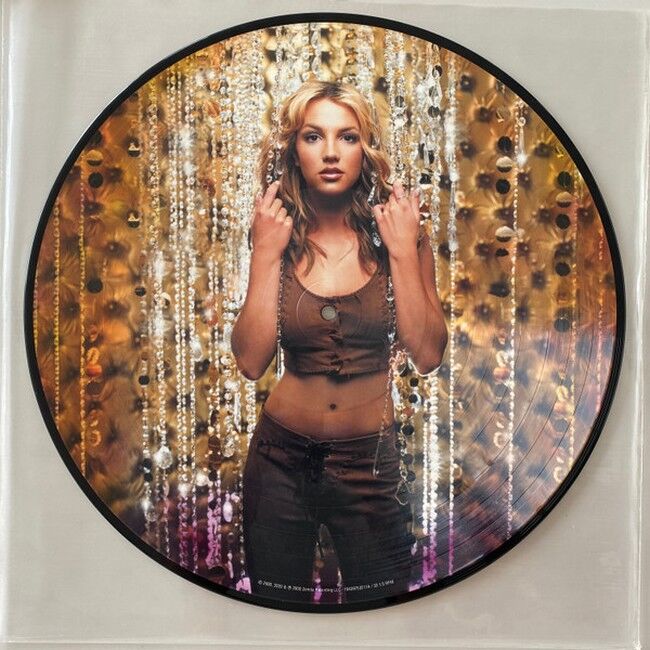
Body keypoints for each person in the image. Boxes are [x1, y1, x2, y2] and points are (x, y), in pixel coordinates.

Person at [231, 79, 447, 605]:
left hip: (369, 465)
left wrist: (402, 251)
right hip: (279, 462)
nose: (330, 152)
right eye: (313, 136)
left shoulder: (402, 232)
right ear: (294, 149)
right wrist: (264, 254)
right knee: (276, 615)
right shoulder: (274, 232)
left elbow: (427, 354)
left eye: (347, 137)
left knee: (382, 616)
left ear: (365, 148)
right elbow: (252, 362)